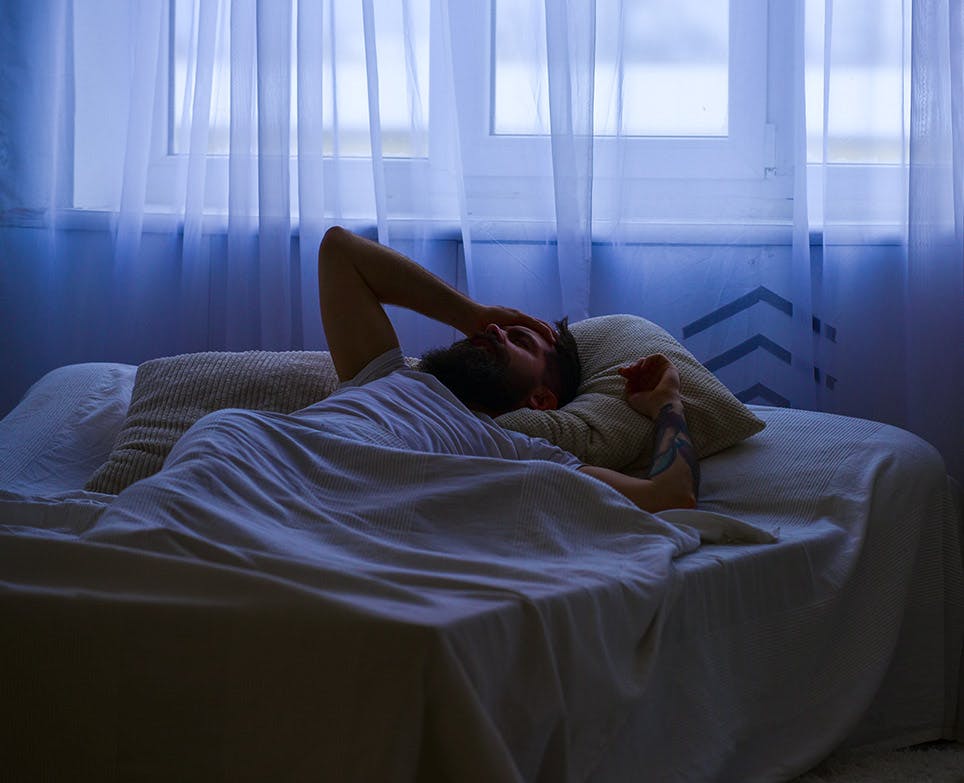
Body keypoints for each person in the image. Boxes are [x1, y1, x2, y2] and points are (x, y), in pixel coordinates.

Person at [317, 226, 699, 512]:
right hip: (262, 447)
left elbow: (670, 497)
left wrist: (668, 404)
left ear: (541, 398)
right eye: (499, 329)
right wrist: (473, 314)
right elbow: (339, 250)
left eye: (521, 341)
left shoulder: (518, 453)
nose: (495, 330)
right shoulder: (385, 376)